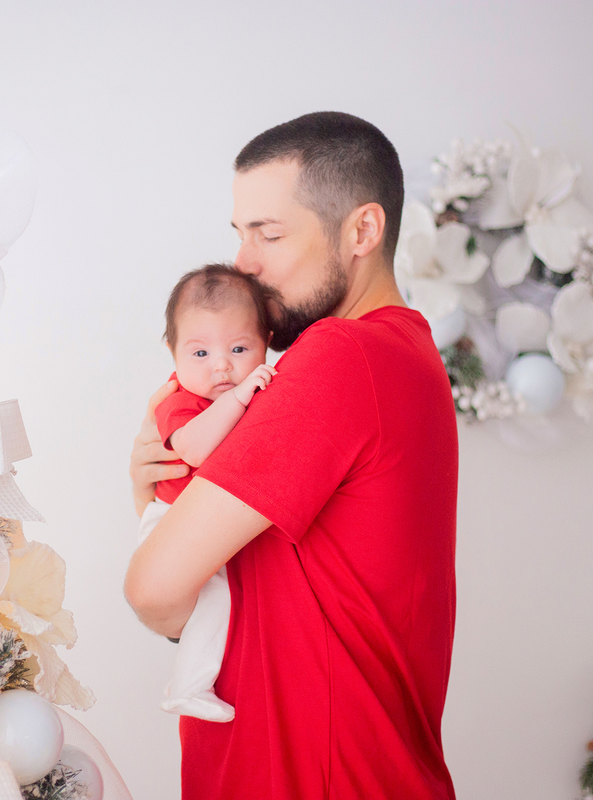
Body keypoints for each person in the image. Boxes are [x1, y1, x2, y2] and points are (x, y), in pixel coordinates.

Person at [125, 111, 459, 799]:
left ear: (362, 231)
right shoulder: (406, 358)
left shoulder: (342, 356)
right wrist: (154, 491)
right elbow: (226, 603)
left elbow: (156, 589)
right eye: (239, 234)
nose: (242, 264)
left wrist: (153, 517)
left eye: (269, 235)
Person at [140, 263, 277, 722]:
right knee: (214, 600)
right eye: (200, 353)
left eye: (239, 348)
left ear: (267, 344)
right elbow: (195, 449)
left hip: (202, 524)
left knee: (225, 602)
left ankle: (190, 683)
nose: (221, 365)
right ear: (172, 353)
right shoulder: (180, 402)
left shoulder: (255, 391)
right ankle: (187, 687)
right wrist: (237, 399)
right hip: (169, 522)